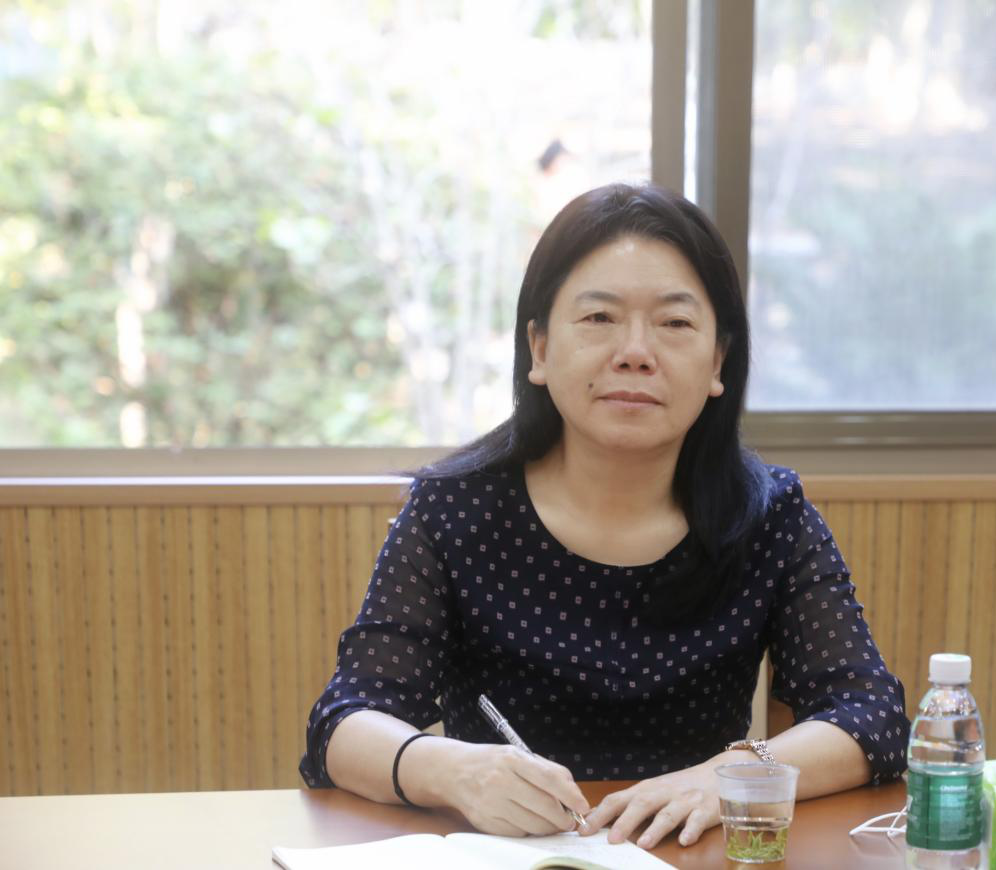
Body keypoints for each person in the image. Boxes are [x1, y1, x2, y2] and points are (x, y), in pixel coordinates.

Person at [299, 182, 909, 850]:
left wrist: (727, 777)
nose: (635, 351)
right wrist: (454, 771)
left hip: (690, 853)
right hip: (509, 855)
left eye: (674, 324)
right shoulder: (454, 511)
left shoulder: (768, 515)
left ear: (718, 361)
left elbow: (871, 714)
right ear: (538, 349)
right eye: (598, 318)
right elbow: (343, 723)